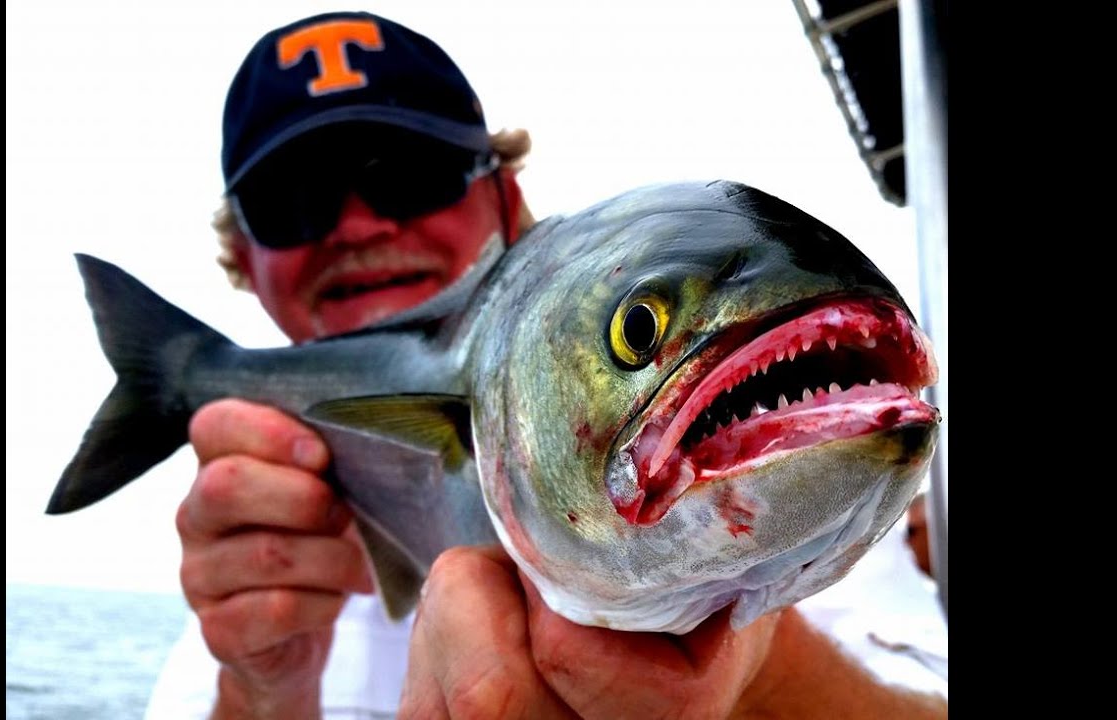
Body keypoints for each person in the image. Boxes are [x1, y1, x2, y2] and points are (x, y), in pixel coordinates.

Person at [145, 11, 947, 719]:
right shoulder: (237, 563)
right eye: (295, 203)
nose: (358, 226)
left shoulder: (808, 469)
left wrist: (755, 668)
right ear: (244, 260)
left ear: (504, 195)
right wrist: (263, 686)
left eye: (410, 179)